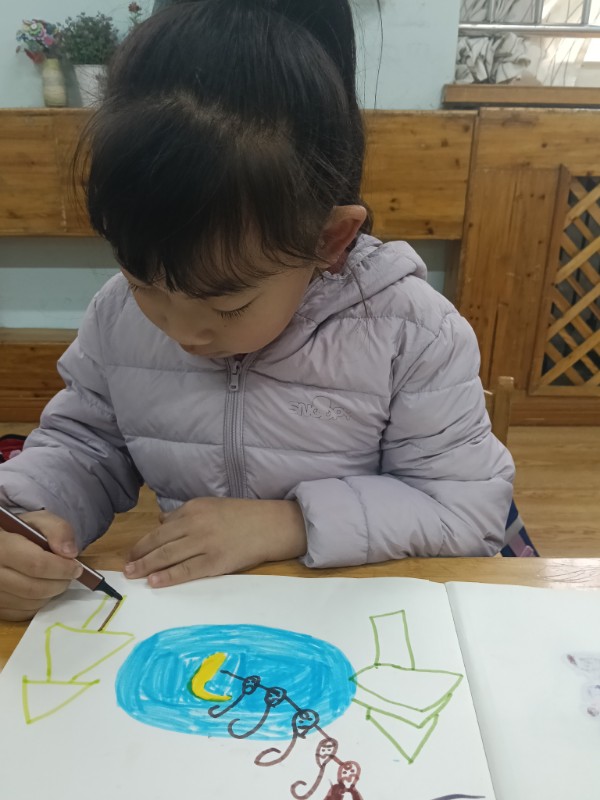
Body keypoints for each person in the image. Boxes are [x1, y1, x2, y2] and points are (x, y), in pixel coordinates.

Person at [0, 0, 514, 621]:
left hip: (355, 623)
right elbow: (86, 445)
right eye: (142, 284)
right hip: (194, 624)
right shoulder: (116, 316)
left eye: (228, 304)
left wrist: (290, 523)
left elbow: (466, 511)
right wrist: (30, 515)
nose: (183, 331)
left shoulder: (411, 332)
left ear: (329, 240)